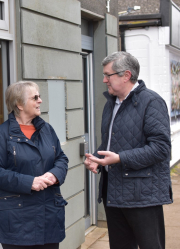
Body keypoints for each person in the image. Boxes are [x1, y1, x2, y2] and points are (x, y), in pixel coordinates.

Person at [84, 52, 173, 249]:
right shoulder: (111, 103)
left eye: (109, 75)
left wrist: (119, 158)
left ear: (126, 75)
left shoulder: (151, 102)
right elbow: (112, 144)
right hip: (113, 193)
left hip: (143, 195)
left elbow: (161, 148)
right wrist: (98, 159)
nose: (104, 80)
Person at [0, 81, 68, 249]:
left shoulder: (47, 130)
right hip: (17, 221)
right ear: (19, 104)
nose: (40, 101)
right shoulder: (0, 134)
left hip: (49, 217)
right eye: (35, 97)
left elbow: (61, 158)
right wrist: (29, 182)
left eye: (39, 96)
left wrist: (55, 174)